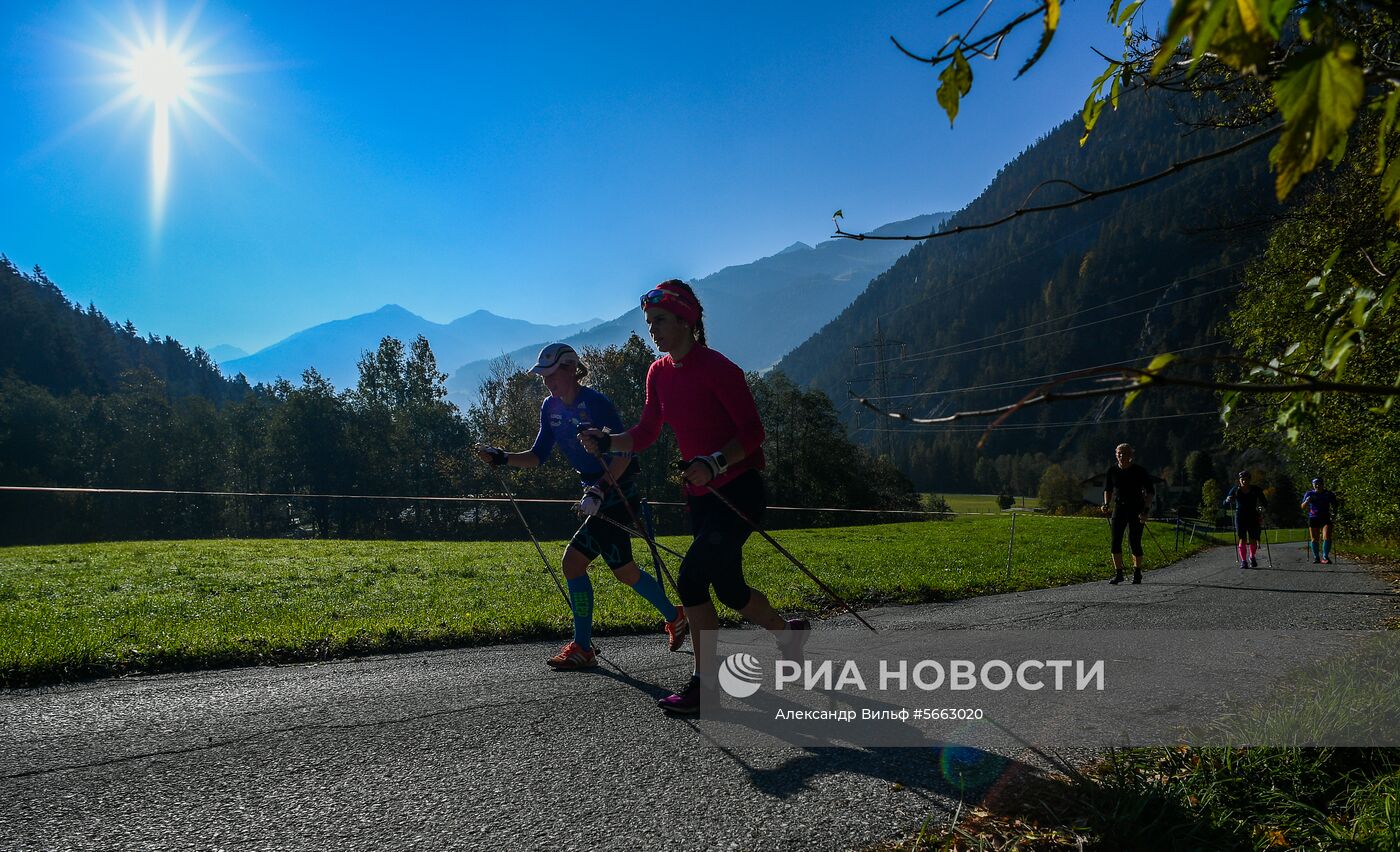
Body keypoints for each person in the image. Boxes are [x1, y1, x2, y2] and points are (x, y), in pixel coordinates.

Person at [579, 279, 807, 715]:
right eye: (649, 323)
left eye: (660, 321)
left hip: (738, 493)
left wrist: (716, 462)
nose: (653, 331)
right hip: (701, 497)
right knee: (730, 588)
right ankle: (787, 633)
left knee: (690, 581)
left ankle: (706, 687)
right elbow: (646, 432)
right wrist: (608, 442)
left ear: (688, 320)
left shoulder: (719, 369)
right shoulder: (658, 372)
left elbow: (754, 434)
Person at [475, 342, 688, 669]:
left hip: (618, 488)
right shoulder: (549, 407)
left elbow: (624, 452)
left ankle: (584, 647)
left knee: (575, 563)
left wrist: (601, 489)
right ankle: (674, 616)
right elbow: (537, 456)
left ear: (571, 369)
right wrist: (503, 458)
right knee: (624, 572)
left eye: (551, 374)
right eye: (542, 375)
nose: (546, 381)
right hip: (595, 491)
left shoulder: (597, 404)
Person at [1101, 442, 1156, 585]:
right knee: (1115, 542)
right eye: (1119, 453)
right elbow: (1108, 489)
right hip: (1119, 508)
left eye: (1124, 453)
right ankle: (1118, 573)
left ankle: (1137, 572)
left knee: (1134, 541)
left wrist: (1146, 510)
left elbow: (1150, 492)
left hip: (1136, 509)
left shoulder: (1139, 471)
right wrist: (1106, 503)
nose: (1121, 456)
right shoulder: (1112, 471)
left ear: (1131, 455)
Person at [1222, 470, 1268, 569]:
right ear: (1239, 480)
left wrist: (1262, 508)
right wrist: (1227, 500)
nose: (1244, 481)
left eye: (1246, 479)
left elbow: (1265, 502)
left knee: (1253, 539)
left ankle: (1252, 557)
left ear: (1249, 480)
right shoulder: (1235, 490)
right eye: (1242, 479)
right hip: (1240, 516)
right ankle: (1243, 561)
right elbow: (1224, 503)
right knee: (1242, 538)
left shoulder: (1256, 489)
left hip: (1253, 515)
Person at [1300, 477, 1341, 565]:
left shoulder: (1328, 494)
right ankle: (1316, 557)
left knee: (1327, 537)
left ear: (1323, 484)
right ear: (1313, 485)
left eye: (1319, 484)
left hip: (1326, 517)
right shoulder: (1309, 494)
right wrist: (1306, 502)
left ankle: (1325, 557)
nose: (1318, 486)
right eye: (1316, 484)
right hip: (1314, 517)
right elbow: (1302, 507)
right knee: (1315, 539)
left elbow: (1334, 505)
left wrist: (1334, 514)